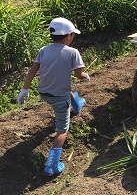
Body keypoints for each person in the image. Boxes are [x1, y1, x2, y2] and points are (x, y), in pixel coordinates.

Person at [17, 17, 90, 176]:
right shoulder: (73, 52)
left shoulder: (44, 50)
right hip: (59, 97)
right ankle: (52, 165)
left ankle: (76, 105)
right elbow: (78, 75)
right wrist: (86, 76)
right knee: (62, 130)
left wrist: (24, 89)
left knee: (67, 92)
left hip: (44, 93)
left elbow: (32, 70)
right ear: (69, 36)